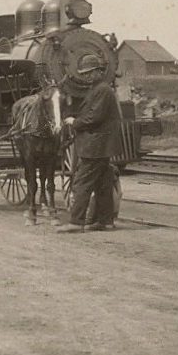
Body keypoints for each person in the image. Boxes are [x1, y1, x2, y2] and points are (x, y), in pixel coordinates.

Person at [56, 54, 121, 233]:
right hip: (100, 145)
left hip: (95, 145)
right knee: (102, 184)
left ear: (99, 71)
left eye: (90, 72)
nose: (86, 76)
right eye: (84, 73)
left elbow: (94, 117)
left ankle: (76, 222)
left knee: (81, 183)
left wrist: (74, 122)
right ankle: (105, 221)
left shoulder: (102, 90)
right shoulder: (98, 89)